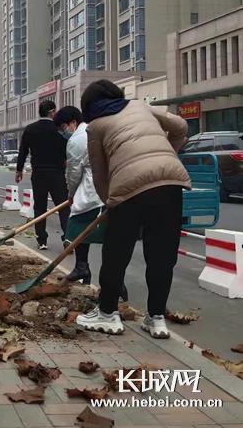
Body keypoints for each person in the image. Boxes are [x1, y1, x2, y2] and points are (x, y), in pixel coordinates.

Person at [75, 80, 190, 339]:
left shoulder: (96, 126)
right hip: (170, 181)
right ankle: (156, 318)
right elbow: (181, 126)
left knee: (117, 252)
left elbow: (100, 173)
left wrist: (109, 201)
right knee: (162, 254)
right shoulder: (141, 106)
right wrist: (165, 155)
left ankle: (107, 313)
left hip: (128, 187)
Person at [54, 106, 129, 302]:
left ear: (73, 122)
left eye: (64, 127)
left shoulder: (77, 139)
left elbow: (73, 172)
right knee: (109, 237)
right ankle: (89, 271)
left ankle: (98, 275)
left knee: (77, 227)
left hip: (93, 191)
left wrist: (70, 194)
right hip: (113, 188)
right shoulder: (98, 130)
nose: (63, 131)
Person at [15, 100, 70, 250]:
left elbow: (23, 151)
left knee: (40, 207)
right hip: (57, 173)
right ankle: (67, 237)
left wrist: (19, 170)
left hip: (38, 173)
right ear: (52, 112)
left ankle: (42, 240)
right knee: (63, 206)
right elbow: (67, 149)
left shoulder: (30, 129)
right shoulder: (59, 129)